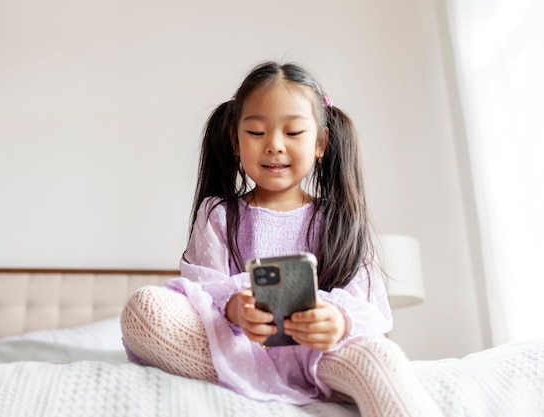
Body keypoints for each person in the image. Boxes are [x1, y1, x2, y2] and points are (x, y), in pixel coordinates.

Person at [121, 61, 442, 417]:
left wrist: (338, 321)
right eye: (256, 133)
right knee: (145, 307)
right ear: (235, 142)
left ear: (320, 143)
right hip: (240, 349)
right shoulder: (218, 214)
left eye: (293, 133)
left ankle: (302, 382)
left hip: (323, 356)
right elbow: (201, 287)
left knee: (379, 355)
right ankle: (253, 378)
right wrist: (233, 308)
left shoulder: (339, 218)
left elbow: (371, 308)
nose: (274, 146)